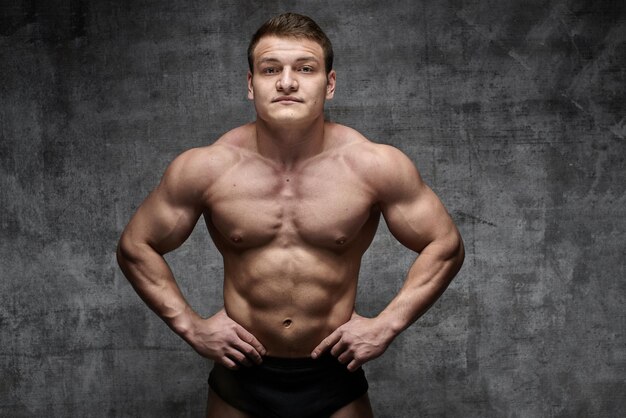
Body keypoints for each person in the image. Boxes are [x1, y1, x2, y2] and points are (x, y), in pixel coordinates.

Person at [116, 12, 464, 418]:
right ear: (251, 84)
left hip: (334, 375)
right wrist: (192, 327)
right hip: (241, 376)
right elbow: (135, 246)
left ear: (329, 84)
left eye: (305, 68)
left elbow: (446, 246)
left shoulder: (374, 165)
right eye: (270, 69)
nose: (286, 82)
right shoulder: (206, 168)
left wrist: (385, 326)